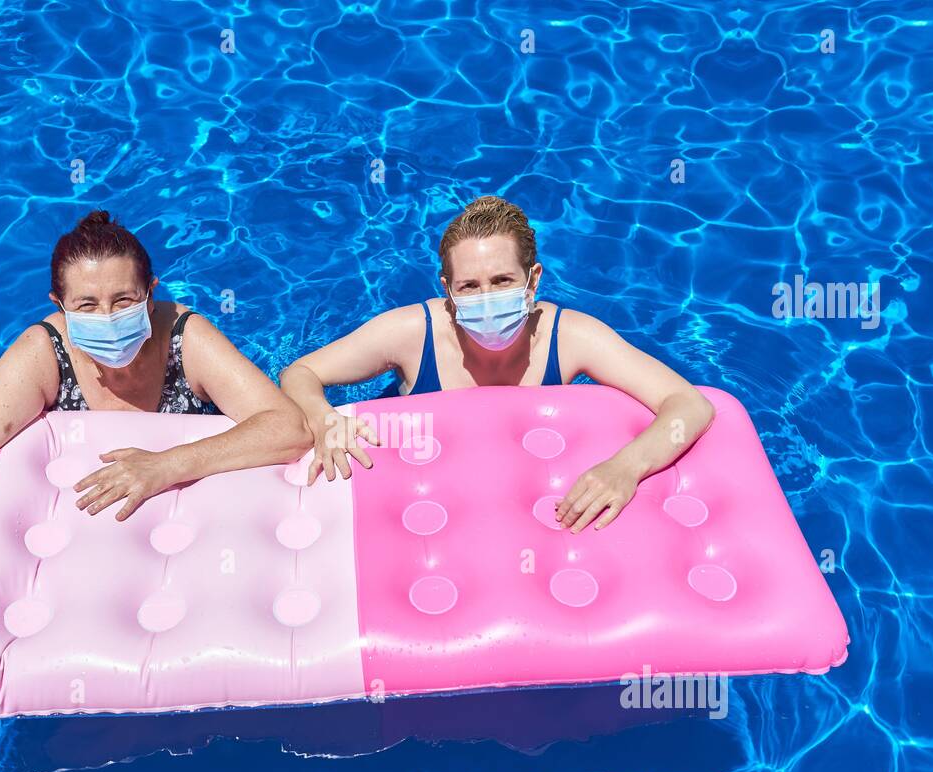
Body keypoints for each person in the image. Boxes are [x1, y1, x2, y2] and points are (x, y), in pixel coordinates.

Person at [0, 210, 311, 658]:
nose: (108, 319)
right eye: (86, 305)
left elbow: (288, 427)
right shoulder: (46, 352)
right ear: (59, 305)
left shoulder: (185, 338)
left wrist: (167, 464)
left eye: (124, 300)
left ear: (150, 293)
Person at [281, 195, 715, 533]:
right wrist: (323, 419)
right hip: (421, 485)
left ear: (533, 281)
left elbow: (688, 404)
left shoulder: (570, 336)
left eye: (503, 281)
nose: (487, 299)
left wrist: (625, 467)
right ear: (447, 290)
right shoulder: (412, 333)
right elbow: (300, 373)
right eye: (470, 286)